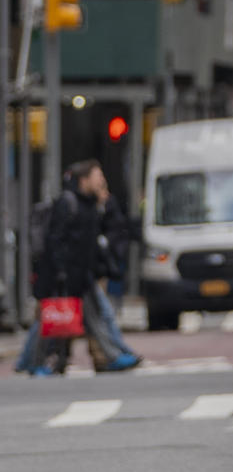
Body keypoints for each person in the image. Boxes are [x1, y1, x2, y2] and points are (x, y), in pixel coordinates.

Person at [31, 160, 141, 376]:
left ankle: (111, 356)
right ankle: (36, 362)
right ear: (84, 179)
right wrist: (61, 271)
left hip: (83, 275)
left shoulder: (91, 204)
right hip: (65, 275)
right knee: (51, 323)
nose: (101, 181)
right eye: (97, 176)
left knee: (94, 318)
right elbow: (57, 240)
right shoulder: (69, 202)